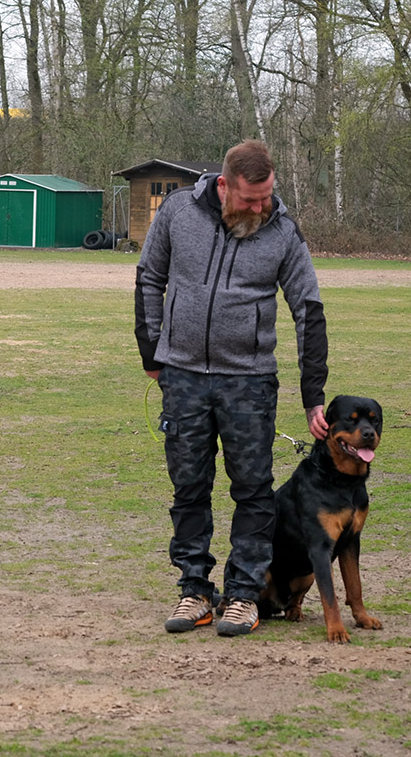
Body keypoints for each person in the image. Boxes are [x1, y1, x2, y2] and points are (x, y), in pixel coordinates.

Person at [134, 140, 328, 637]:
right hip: (182, 379)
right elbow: (149, 278)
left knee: (253, 491)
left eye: (266, 198)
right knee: (189, 488)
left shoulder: (283, 230)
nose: (260, 208)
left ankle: (244, 595)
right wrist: (152, 353)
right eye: (250, 199)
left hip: (250, 382)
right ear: (224, 185)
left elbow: (308, 309)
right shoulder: (178, 212)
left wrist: (313, 395)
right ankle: (195, 591)